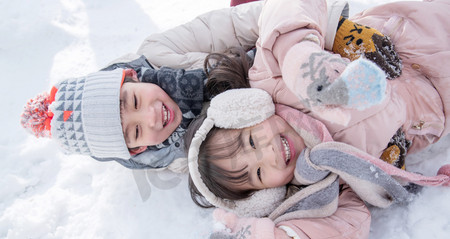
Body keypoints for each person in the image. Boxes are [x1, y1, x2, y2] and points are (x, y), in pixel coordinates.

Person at [185, 0, 450, 239]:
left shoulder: (271, 80)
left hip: (416, 28)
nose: (268, 153)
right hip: (438, 102)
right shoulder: (324, 183)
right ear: (266, 195)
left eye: (250, 140)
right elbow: (349, 228)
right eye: (258, 172)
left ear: (247, 110)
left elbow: (286, 10)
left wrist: (301, 62)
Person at [20, 0, 395, 172]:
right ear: (137, 151)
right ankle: (379, 138)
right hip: (277, 111)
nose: (150, 116)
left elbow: (240, 23)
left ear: (131, 77)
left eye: (133, 101)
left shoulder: (158, 53)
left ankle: (333, 51)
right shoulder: (175, 159)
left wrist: (320, 29)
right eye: (136, 131)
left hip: (266, 54)